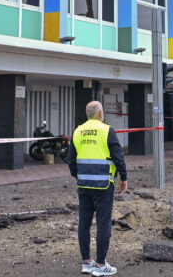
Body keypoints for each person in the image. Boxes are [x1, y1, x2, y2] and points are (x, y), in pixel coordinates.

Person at [67, 101, 127, 276]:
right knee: (103, 224)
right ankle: (101, 265)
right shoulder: (107, 131)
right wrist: (124, 177)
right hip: (103, 185)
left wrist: (78, 176)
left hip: (84, 184)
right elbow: (118, 157)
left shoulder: (77, 131)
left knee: (84, 223)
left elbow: (71, 160)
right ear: (100, 113)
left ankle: (87, 262)